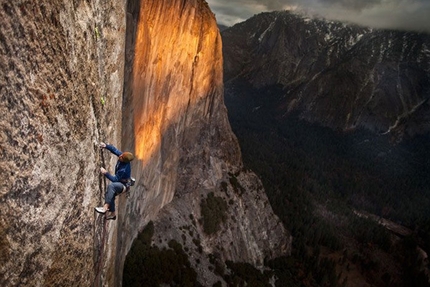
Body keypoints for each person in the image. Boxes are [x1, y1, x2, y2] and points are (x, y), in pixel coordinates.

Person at [95, 142, 134, 220]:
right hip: (120, 182)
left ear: (124, 161)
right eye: (121, 155)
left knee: (111, 186)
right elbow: (115, 150)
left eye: (121, 157)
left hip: (123, 185)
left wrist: (105, 172)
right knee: (110, 193)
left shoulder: (124, 169)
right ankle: (113, 214)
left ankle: (105, 208)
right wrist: (106, 146)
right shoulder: (123, 156)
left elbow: (114, 179)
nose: (120, 156)